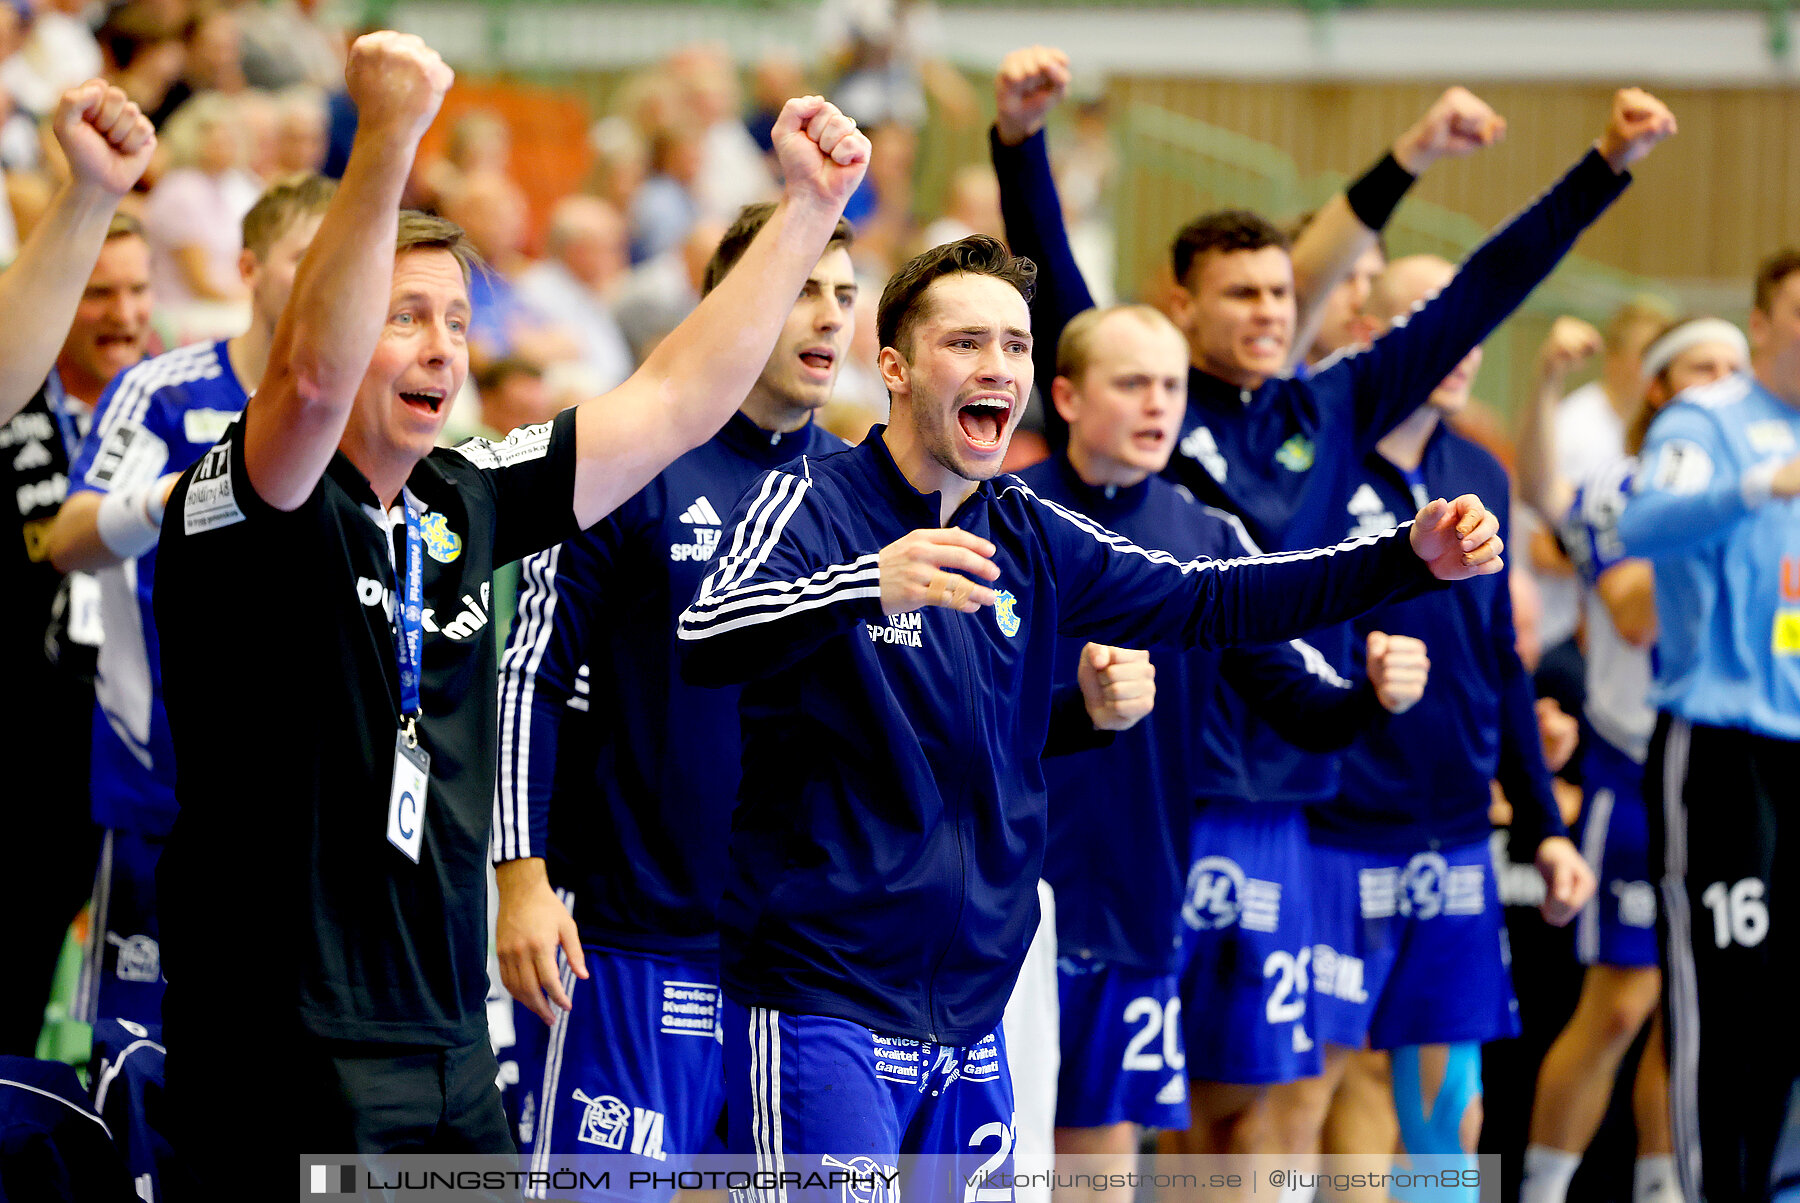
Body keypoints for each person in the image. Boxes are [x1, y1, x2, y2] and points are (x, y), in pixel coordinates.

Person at [150, 30, 870, 1183]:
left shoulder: (465, 494)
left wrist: (803, 208)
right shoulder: (248, 492)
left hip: (445, 1035)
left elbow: (677, 399)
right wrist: (388, 138)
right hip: (283, 1036)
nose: (442, 343)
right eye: (403, 314)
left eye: (455, 317)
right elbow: (310, 384)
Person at [676, 232, 1508, 1173]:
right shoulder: (808, 502)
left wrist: (1403, 559)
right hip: (822, 990)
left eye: (1015, 345)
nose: (997, 366)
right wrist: (866, 582)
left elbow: (1213, 596)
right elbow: (705, 632)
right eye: (966, 344)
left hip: (972, 1002)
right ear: (896, 368)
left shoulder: (1026, 528)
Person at [1017, 303, 1431, 1199]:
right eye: (1131, 383)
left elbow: (1303, 706)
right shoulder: (1006, 517)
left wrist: (1372, 694)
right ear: (1066, 396)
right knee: (978, 1165)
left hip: (1131, 900)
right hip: (998, 901)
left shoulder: (1204, 539)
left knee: (1097, 1173)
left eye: (1169, 384)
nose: (1157, 404)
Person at [491, 201, 861, 1187]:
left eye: (844, 297)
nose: (828, 318)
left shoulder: (863, 493)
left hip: (798, 967)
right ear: (731, 307)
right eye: (799, 292)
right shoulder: (624, 457)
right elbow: (526, 670)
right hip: (628, 935)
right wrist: (519, 879)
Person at [1294, 256, 1595, 1183]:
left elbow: (1498, 656)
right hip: (1337, 829)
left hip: (1456, 834)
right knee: (1327, 1095)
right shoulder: (1318, 459)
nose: (1455, 340)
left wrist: (1542, 823)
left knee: (1447, 1115)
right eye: (1429, 317)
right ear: (1371, 335)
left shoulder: (1480, 471)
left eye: (1467, 320)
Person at [44, 174, 336, 1033]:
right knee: (141, 1066)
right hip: (160, 787)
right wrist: (174, 497)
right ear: (248, 266)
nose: (326, 277)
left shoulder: (365, 406)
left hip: (309, 810)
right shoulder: (165, 391)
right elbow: (68, 537)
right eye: (302, 257)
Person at [1514, 315, 1747, 1203]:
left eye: (1735, 369)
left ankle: (1665, 1189)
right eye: (1702, 368)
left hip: (1735, 768)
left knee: (1692, 1016)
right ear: (1658, 387)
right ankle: (1541, 1186)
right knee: (1618, 1004)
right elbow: (1635, 611)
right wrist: (1730, 506)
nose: (1723, 383)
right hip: (1636, 765)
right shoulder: (1625, 487)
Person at [1616, 249, 1800, 1203]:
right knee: (1724, 1006)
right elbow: (1637, 527)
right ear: (1763, 324)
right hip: (1720, 748)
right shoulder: (1708, 420)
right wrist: (1759, 486)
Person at [0, 79, 156, 1058]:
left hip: (114, 754)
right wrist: (86, 199)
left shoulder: (176, 403)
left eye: (139, 292)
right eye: (100, 290)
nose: (124, 314)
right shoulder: (21, 397)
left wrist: (92, 194)